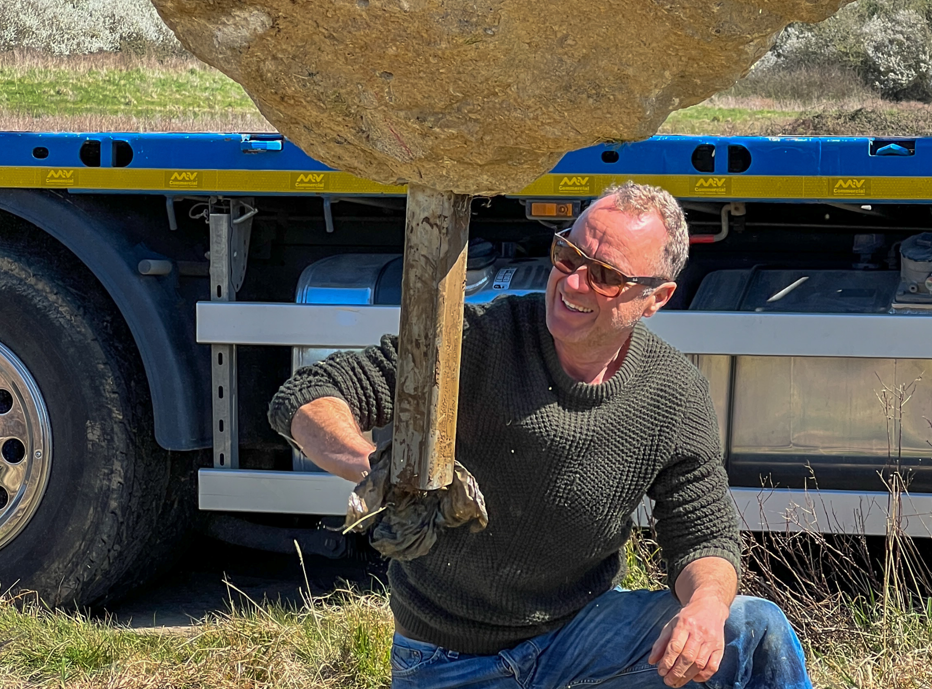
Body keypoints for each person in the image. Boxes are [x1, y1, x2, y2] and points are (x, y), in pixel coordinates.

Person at [269, 182, 812, 689]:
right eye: (568, 257)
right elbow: (309, 393)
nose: (573, 281)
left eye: (604, 275)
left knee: (754, 630)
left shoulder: (673, 393)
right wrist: (376, 469)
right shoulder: (479, 341)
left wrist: (706, 609)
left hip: (583, 637)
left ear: (657, 297)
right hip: (447, 659)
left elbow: (705, 537)